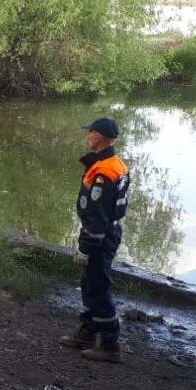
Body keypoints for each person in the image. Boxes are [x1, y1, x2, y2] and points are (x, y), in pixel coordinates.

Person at [59, 117, 131, 363]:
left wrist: (87, 247)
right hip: (106, 231)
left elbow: (98, 214)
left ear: (98, 137)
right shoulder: (116, 163)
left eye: (90, 132)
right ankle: (87, 333)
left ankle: (110, 345)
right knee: (90, 284)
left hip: (100, 235)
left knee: (98, 288)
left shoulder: (103, 171)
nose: (88, 136)